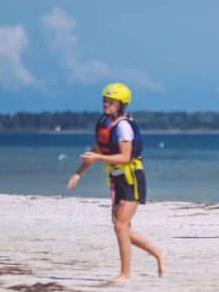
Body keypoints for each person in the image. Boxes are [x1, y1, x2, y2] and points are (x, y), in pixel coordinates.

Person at [67, 82, 166, 281]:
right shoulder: (105, 125)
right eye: (105, 100)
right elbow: (95, 152)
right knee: (124, 228)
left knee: (120, 227)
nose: (106, 104)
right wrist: (78, 173)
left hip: (132, 180)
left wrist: (98, 159)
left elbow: (125, 157)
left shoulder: (123, 126)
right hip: (117, 180)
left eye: (111, 101)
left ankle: (125, 274)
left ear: (121, 104)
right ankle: (157, 252)